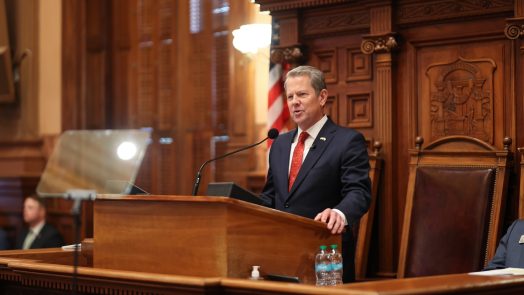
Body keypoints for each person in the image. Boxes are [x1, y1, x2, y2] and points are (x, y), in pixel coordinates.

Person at [260, 65, 371, 282]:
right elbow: (270, 197)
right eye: (290, 96)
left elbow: (359, 192)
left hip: (324, 255)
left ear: (322, 97)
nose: (294, 102)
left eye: (302, 94)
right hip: (278, 254)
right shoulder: (280, 144)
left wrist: (340, 213)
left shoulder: (347, 141)